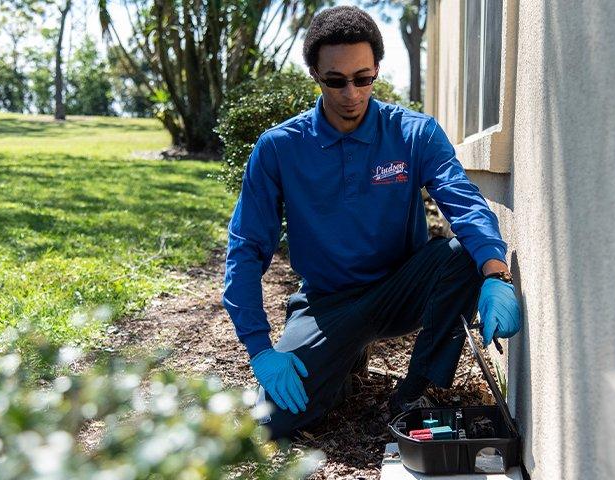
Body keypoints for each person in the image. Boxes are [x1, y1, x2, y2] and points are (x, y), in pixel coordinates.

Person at [222, 5, 522, 440]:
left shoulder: (413, 133)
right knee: (272, 422)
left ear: (377, 70)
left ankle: (416, 389)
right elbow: (246, 249)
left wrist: (496, 272)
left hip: (401, 287)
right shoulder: (279, 149)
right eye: (336, 80)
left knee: (462, 257)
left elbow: (463, 200)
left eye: (363, 78)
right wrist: (259, 349)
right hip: (328, 304)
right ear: (315, 75)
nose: (351, 93)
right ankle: (341, 363)